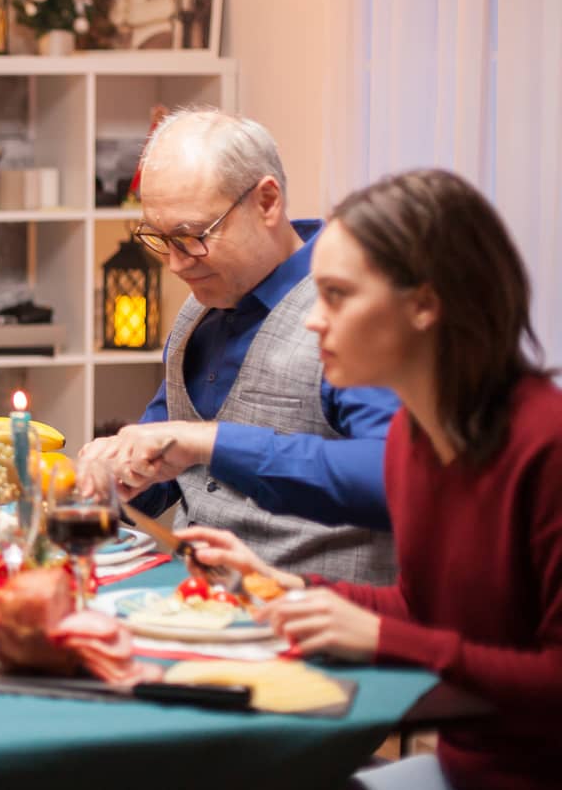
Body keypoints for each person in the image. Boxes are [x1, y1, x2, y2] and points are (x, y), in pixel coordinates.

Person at [181, 169, 562, 790]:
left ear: (424, 304)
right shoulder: (418, 440)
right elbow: (423, 609)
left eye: (336, 295)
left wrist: (385, 638)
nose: (312, 320)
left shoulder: (545, 446)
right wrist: (283, 585)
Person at [79, 110, 398, 583]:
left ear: (267, 201)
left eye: (190, 237)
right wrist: (118, 475)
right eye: (158, 238)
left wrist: (214, 443)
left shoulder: (350, 308)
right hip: (197, 606)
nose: (174, 263)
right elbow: (170, 466)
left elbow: (394, 478)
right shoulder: (198, 308)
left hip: (317, 622)